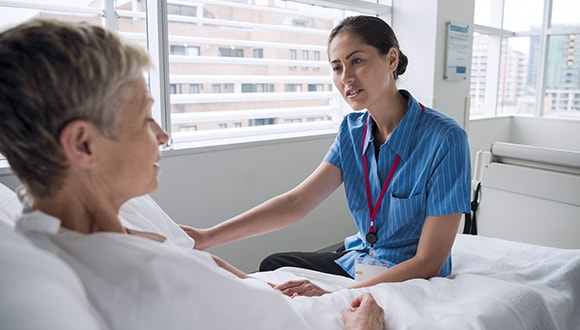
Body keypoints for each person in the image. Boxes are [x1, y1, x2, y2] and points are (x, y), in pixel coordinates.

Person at [0, 18, 384, 330]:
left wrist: (239, 271)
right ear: (83, 145)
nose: (163, 136)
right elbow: (296, 203)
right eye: (144, 118)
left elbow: (191, 256)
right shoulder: (157, 283)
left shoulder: (60, 215)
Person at [181, 15, 472, 297]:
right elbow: (296, 203)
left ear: (391, 60)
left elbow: (429, 261)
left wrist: (336, 295)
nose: (346, 77)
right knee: (275, 264)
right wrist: (207, 237)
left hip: (407, 275)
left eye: (357, 61)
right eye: (336, 67)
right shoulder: (352, 130)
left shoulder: (445, 138)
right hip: (358, 260)